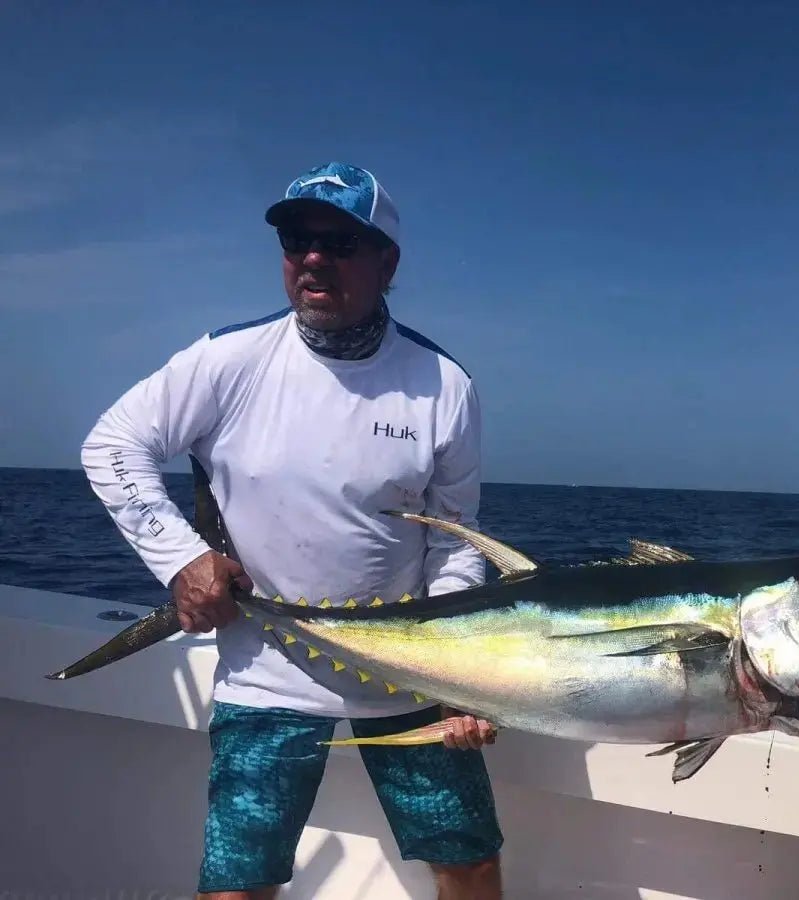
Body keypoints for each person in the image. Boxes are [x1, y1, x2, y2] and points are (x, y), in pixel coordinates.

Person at [81, 162, 504, 900]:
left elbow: (456, 540)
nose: (313, 257)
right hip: (266, 679)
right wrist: (183, 561)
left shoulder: (445, 385)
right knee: (238, 885)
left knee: (468, 864)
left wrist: (463, 675)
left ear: (387, 263)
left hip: (412, 682)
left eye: (339, 242)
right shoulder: (228, 360)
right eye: (296, 239)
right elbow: (113, 444)